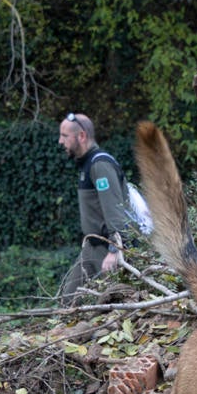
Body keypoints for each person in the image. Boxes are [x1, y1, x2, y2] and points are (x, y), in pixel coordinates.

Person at [57, 113, 133, 303]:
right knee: (68, 300)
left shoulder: (100, 165)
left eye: (65, 136)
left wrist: (115, 250)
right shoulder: (87, 165)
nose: (60, 141)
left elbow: (115, 209)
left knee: (112, 304)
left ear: (81, 136)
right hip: (92, 247)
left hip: (106, 249)